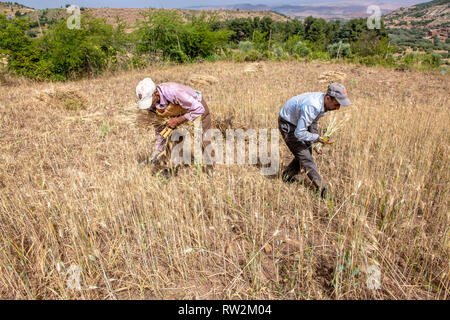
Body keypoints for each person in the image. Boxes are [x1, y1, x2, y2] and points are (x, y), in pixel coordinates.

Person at [278, 82, 351, 199]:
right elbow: (299, 133)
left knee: (306, 152)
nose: (338, 108)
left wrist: (317, 143)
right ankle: (323, 190)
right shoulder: (312, 106)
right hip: (288, 125)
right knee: (306, 157)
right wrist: (317, 138)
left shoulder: (323, 104)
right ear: (328, 98)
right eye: (337, 104)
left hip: (297, 124)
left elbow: (314, 122)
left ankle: (288, 176)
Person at [136, 78, 212, 164]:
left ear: (156, 93)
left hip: (195, 106)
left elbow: (199, 109)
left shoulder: (173, 92)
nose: (149, 106)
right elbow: (159, 128)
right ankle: (175, 168)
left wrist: (178, 120)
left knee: (203, 140)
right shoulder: (152, 105)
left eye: (150, 101)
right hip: (178, 111)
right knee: (174, 141)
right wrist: (158, 150)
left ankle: (210, 170)